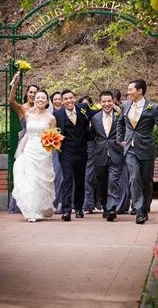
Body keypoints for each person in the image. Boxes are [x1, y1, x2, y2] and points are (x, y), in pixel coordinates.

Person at [117, 79, 158, 224]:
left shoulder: (153, 107)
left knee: (147, 180)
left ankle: (145, 206)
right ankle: (139, 211)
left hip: (146, 149)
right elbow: (120, 123)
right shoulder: (126, 105)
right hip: (129, 149)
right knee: (134, 177)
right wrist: (120, 140)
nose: (128, 93)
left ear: (140, 91)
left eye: (130, 90)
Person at [12, 90, 56, 222]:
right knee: (31, 180)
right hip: (30, 150)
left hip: (44, 152)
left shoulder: (51, 118)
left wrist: (49, 148)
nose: (40, 100)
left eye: (43, 98)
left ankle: (43, 209)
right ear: (34, 100)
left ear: (47, 101)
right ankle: (32, 211)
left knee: (42, 180)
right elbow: (26, 134)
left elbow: (53, 137)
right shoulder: (28, 115)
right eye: (38, 98)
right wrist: (20, 151)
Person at [53, 89, 92, 221]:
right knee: (68, 180)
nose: (69, 101)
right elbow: (51, 130)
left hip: (81, 152)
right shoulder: (57, 114)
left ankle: (79, 208)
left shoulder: (83, 108)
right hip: (66, 153)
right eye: (66, 99)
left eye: (71, 98)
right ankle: (66, 211)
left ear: (74, 98)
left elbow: (95, 115)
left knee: (80, 181)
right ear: (62, 101)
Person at [8, 73, 39, 214]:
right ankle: (20, 205)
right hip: (25, 143)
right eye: (31, 92)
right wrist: (15, 83)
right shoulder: (22, 108)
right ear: (27, 93)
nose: (33, 95)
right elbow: (11, 100)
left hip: (37, 142)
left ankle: (35, 203)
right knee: (23, 172)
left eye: (35, 93)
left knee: (36, 173)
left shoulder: (42, 109)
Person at [90, 91, 124, 221]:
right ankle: (105, 206)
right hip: (100, 154)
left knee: (113, 182)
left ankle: (112, 209)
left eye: (109, 101)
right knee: (102, 183)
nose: (106, 104)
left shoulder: (120, 116)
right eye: (103, 101)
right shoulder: (95, 118)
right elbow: (93, 134)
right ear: (100, 103)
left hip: (116, 154)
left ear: (113, 101)